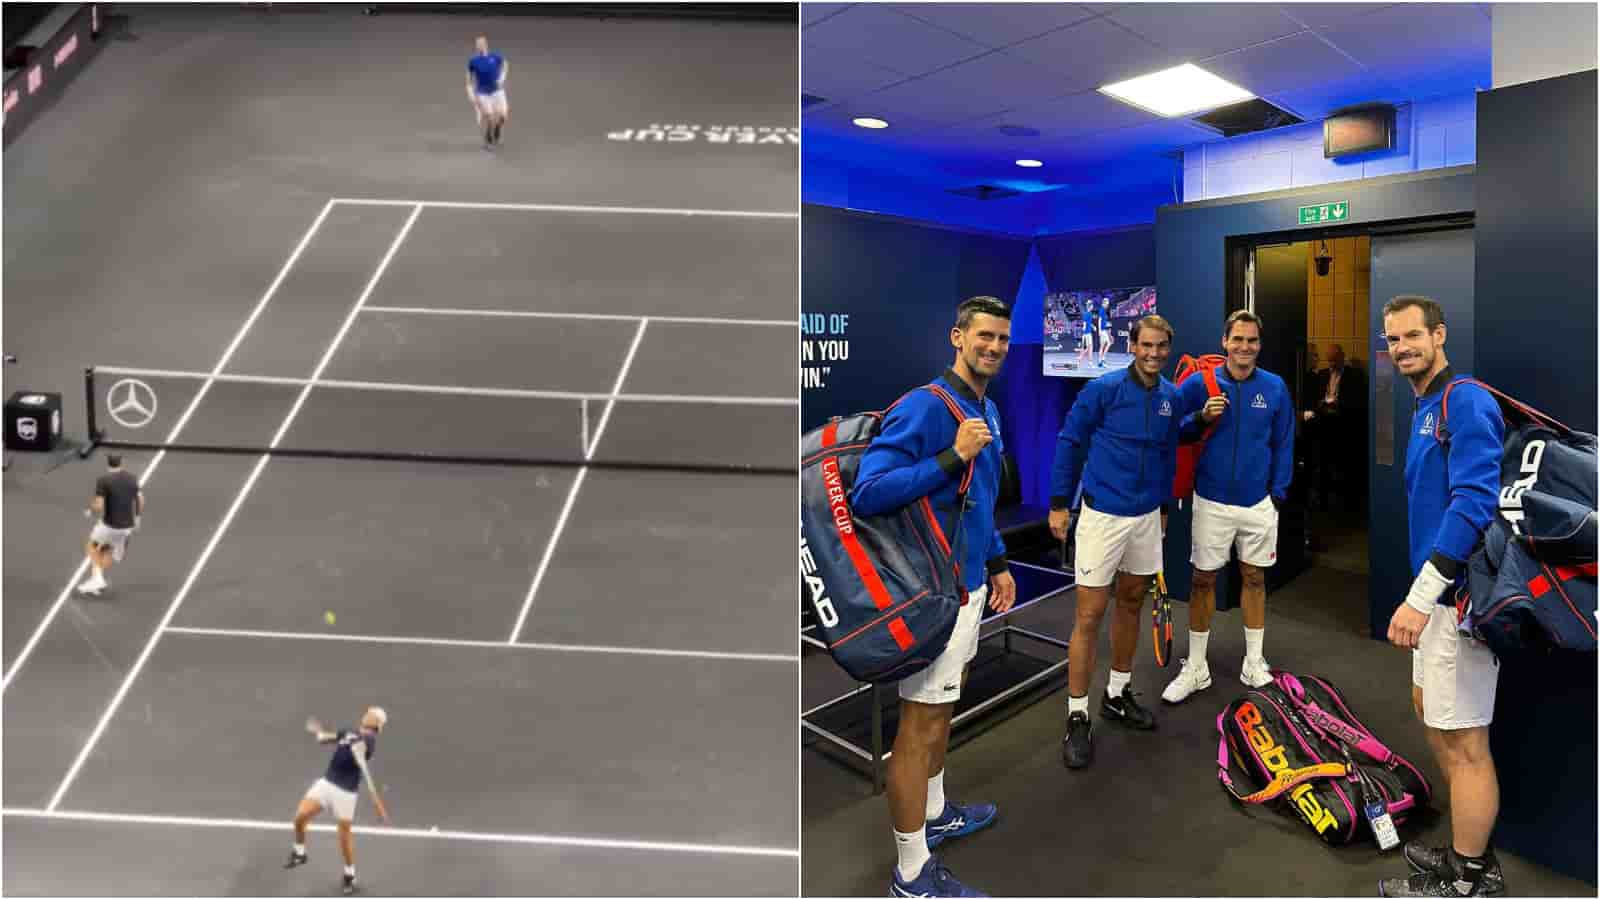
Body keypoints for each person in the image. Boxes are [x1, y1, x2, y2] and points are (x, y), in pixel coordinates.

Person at [851, 295, 1019, 898]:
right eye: (984, 336)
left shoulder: (986, 408)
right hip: (933, 595)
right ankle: (910, 872)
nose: (994, 347)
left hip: (969, 586)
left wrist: (997, 563)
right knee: (916, 729)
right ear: (957, 337)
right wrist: (952, 455)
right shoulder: (925, 407)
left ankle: (937, 811)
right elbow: (869, 491)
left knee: (941, 711)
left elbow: (979, 496)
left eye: (1002, 338)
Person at [1376, 296, 1506, 898]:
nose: (1402, 347)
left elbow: (1475, 504)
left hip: (1458, 602)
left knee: (1466, 741)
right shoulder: (1425, 406)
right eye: (1393, 339)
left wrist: (1422, 597)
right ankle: (1463, 852)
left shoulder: (1467, 400)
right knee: (1434, 716)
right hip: (1431, 600)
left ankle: (1472, 880)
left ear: (1439, 335)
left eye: (1411, 336)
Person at [1049, 315, 1182, 769]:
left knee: (1131, 603)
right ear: (1132, 344)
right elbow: (1070, 442)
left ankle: (1118, 693)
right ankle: (1077, 714)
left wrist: (1163, 506)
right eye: (1146, 345)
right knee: (1089, 615)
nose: (1154, 353)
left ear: (1169, 348)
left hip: (1146, 517)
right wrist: (1058, 503)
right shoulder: (1102, 390)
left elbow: (1167, 453)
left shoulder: (1170, 396)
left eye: (1162, 346)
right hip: (1102, 515)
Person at [1161, 310, 1294, 704]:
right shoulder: (1201, 383)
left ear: (1259, 345)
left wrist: (1278, 493)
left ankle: (1254, 661)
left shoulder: (1274, 387)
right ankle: (1196, 667)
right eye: (1238, 339)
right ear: (1225, 342)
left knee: (1254, 578)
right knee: (1203, 580)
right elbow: (1172, 428)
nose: (1245, 347)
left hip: (1258, 503)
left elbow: (1284, 441)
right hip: (1212, 500)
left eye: (1252, 341)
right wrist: (1201, 417)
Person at [286, 707, 393, 896]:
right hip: (326, 783)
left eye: (371, 714)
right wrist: (319, 732)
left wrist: (378, 803)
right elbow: (327, 738)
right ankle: (300, 852)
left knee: (344, 836)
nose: (366, 714)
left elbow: (361, 761)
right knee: (300, 817)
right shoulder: (350, 732)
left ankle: (350, 874)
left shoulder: (369, 741)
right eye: (368, 712)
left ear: (376, 723)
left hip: (345, 793)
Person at [1302, 343, 1367, 511]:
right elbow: (1314, 398)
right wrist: (1321, 404)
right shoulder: (1322, 375)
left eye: (1335, 360)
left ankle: (1347, 504)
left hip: (1345, 424)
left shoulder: (1354, 375)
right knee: (1322, 461)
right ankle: (1322, 501)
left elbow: (1359, 401)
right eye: (1329, 360)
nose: (1331, 364)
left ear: (1342, 357)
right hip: (1324, 422)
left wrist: (1339, 404)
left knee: (1345, 464)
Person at [78, 454, 141, 596]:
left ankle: (98, 579)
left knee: (91, 547)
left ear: (108, 464)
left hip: (110, 526)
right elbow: (140, 500)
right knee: (105, 550)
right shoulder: (132, 479)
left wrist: (90, 510)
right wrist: (137, 517)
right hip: (127, 528)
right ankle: (96, 580)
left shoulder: (103, 480)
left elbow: (99, 506)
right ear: (122, 463)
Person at [466, 35, 508, 149]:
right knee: (489, 117)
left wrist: (502, 78)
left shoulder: (495, 57)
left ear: (485, 45)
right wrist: (470, 91)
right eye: (477, 45)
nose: (478, 46)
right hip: (483, 93)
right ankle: (488, 140)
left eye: (480, 44)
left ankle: (497, 130)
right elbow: (469, 77)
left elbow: (505, 64)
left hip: (497, 91)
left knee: (503, 116)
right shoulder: (473, 61)